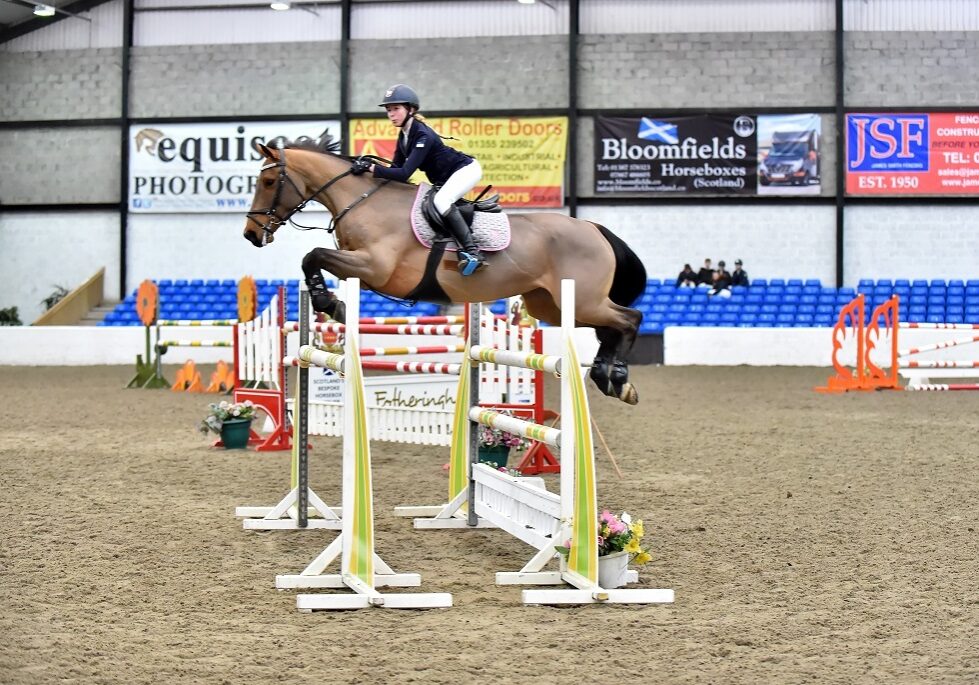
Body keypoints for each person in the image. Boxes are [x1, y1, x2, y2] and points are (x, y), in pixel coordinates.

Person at [352, 84, 485, 276]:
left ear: (411, 109)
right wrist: (368, 168)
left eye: (396, 109)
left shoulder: (423, 134)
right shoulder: (404, 135)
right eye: (389, 110)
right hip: (447, 176)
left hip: (466, 170)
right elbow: (394, 170)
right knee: (434, 201)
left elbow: (405, 173)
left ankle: (473, 253)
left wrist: (371, 168)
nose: (391, 114)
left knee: (441, 201)